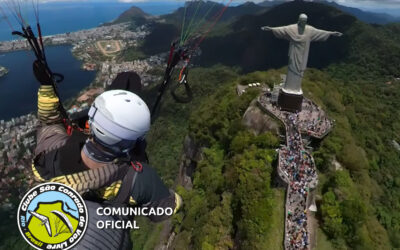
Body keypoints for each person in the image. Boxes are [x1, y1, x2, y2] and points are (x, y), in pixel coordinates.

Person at [30, 60, 182, 249]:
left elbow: (49, 121)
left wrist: (46, 86)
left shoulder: (52, 152)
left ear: (90, 124)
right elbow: (166, 209)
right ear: (137, 140)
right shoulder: (138, 179)